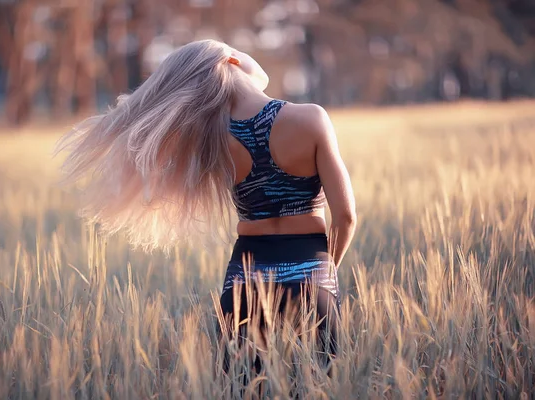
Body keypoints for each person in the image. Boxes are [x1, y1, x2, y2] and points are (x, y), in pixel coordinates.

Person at [55, 39, 356, 373]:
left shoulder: (209, 141)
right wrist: (324, 272)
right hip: (311, 275)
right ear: (231, 60)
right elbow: (345, 217)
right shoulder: (311, 118)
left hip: (244, 285)